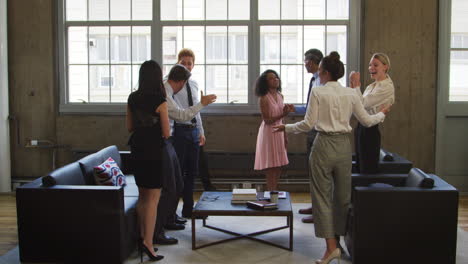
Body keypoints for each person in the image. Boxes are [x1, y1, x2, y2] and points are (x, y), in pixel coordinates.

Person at [274, 51, 389, 264]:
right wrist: (382, 113)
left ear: (325, 73)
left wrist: (286, 128)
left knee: (321, 197)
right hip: (345, 146)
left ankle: (331, 248)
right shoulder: (351, 94)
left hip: (323, 145)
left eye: (319, 71)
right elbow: (366, 121)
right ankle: (338, 243)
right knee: (342, 198)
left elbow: (308, 124)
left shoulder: (318, 92)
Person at [153, 64, 217, 244]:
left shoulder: (168, 90)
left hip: (187, 133)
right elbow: (181, 116)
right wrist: (202, 104)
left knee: (184, 177)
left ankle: (171, 218)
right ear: (180, 81)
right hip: (171, 138)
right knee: (174, 181)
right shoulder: (164, 92)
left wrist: (201, 130)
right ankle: (167, 220)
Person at [126, 60, 167, 262]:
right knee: (153, 199)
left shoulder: (132, 98)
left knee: (143, 197)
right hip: (154, 152)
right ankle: (149, 244)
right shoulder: (160, 99)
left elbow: (130, 126)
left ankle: (143, 238)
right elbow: (166, 132)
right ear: (157, 77)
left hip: (137, 149)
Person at [173, 48, 210, 218]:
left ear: (193, 65)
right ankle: (171, 213)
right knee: (178, 173)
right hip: (179, 131)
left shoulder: (194, 84)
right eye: (183, 63)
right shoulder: (171, 84)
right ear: (178, 63)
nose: (187, 66)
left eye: (190, 63)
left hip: (194, 131)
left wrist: (201, 131)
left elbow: (197, 109)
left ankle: (189, 209)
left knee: (192, 172)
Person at [349, 53, 395, 174]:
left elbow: (362, 104)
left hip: (370, 130)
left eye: (375, 65)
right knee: (360, 166)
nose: (371, 68)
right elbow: (358, 106)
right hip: (361, 127)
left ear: (385, 67)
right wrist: (354, 87)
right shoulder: (371, 86)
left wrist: (356, 86)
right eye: (370, 65)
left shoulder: (387, 87)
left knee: (367, 169)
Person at [293, 48, 324, 223]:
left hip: (318, 130)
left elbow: (317, 111)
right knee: (312, 170)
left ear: (312, 62)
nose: (304, 64)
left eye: (305, 61)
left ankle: (319, 212)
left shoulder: (322, 83)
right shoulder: (314, 80)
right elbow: (309, 108)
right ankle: (314, 205)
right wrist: (295, 109)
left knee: (318, 171)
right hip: (311, 129)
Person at [254, 69, 293, 191]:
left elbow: (282, 120)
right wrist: (283, 114)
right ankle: (271, 191)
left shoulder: (281, 96)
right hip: (269, 132)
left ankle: (274, 191)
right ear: (265, 82)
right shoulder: (264, 98)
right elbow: (267, 120)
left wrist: (285, 134)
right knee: (271, 165)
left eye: (276, 77)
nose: (275, 80)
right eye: (271, 78)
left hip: (279, 131)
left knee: (279, 164)